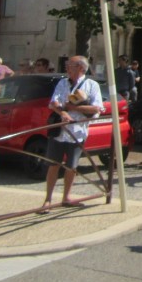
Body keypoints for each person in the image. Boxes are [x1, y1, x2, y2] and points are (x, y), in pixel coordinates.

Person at [40, 55, 103, 213]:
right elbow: (54, 103)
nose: (67, 68)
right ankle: (47, 199)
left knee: (71, 166)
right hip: (59, 130)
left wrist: (73, 108)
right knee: (53, 164)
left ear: (81, 68)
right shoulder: (62, 82)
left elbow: (97, 108)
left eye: (71, 65)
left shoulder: (91, 85)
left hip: (78, 131)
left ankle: (66, 196)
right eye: (67, 65)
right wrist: (63, 112)